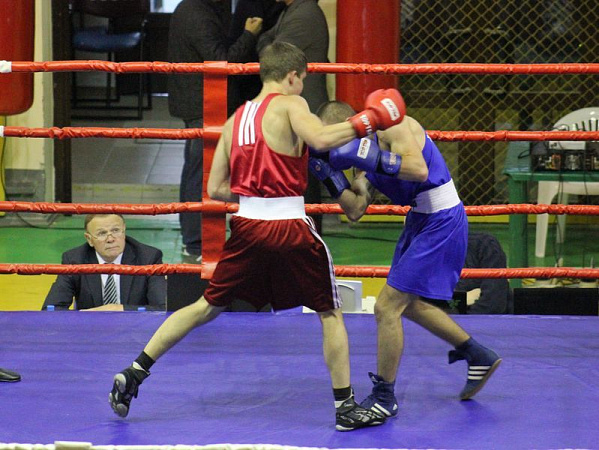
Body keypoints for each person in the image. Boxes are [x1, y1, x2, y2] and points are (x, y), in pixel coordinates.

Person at [108, 42, 406, 431]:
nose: (302, 88)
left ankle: (135, 371)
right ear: (292, 76)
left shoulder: (236, 119)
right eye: (302, 80)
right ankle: (345, 406)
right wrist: (367, 121)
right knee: (330, 312)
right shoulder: (291, 103)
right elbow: (319, 138)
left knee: (205, 307)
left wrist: (256, 194)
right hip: (288, 225)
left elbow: (215, 188)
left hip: (246, 225)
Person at [310, 100, 502, 418]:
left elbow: (418, 169)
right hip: (419, 221)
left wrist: (370, 157)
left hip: (441, 217)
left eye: (333, 139)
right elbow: (356, 209)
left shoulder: (393, 126)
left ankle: (384, 396)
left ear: (348, 128)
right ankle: (477, 354)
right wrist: (332, 179)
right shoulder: (359, 160)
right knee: (408, 304)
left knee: (386, 307)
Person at [168, 0, 264, 262]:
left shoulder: (197, 8)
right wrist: (249, 35)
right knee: (201, 170)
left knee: (198, 168)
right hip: (203, 104)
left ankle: (196, 240)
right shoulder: (198, 13)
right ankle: (196, 242)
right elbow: (222, 60)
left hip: (201, 102)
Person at [257, 0, 331, 234]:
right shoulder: (291, 10)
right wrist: (268, 41)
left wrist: (267, 43)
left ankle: (308, 237)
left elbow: (271, 58)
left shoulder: (304, 13)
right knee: (294, 173)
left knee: (304, 176)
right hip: (296, 105)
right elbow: (267, 42)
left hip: (303, 105)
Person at [43, 214, 166, 311]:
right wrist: (87, 316)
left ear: (124, 230)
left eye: (116, 230)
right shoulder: (75, 260)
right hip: (91, 329)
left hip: (137, 329)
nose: (110, 239)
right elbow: (51, 309)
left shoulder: (148, 258)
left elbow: (163, 308)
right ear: (89, 239)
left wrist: (118, 309)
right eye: (102, 233)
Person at [455, 232, 509, 314]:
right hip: (443, 319)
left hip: (483, 319)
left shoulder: (484, 244)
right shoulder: (433, 252)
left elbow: (493, 303)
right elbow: (435, 305)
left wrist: (454, 301)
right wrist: (463, 299)